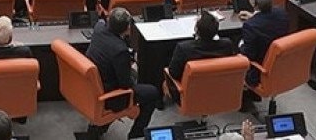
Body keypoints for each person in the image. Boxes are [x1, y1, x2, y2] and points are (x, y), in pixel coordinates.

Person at [85, 8, 161, 138]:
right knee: (152, 93)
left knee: (135, 76)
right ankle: (136, 135)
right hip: (110, 95)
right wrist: (133, 71)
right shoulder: (120, 50)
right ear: (127, 28)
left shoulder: (98, 28)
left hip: (94, 84)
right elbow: (125, 85)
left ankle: (98, 129)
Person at [165, 12, 237, 101]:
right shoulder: (227, 44)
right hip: (220, 90)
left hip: (191, 95)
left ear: (196, 30)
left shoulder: (183, 48)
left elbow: (173, 73)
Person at [238, 0, 289, 93]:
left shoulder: (250, 26)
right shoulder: (282, 13)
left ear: (254, 3)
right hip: (280, 64)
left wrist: (240, 45)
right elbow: (268, 24)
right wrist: (254, 17)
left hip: (259, 70)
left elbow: (248, 55)